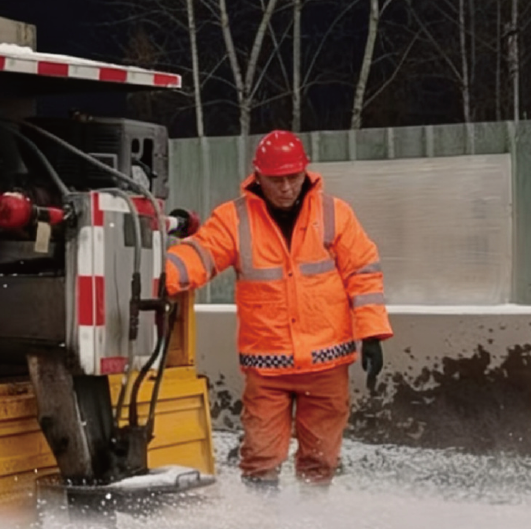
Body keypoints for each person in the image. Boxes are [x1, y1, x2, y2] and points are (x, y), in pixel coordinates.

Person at [163, 129, 392, 489]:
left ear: (306, 173)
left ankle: (312, 520)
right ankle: (264, 526)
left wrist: (373, 333)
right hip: (268, 367)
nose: (286, 187)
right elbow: (200, 254)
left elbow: (363, 273)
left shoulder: (335, 214)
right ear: (259, 177)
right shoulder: (234, 219)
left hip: (326, 364)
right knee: (260, 457)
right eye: (276, 179)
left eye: (293, 178)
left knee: (320, 459)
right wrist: (154, 275)